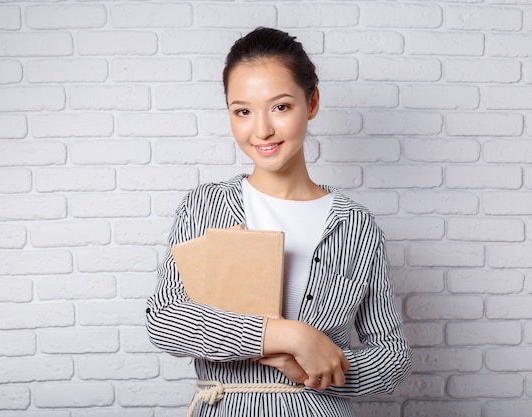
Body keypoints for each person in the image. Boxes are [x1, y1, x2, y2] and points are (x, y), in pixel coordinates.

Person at [145, 27, 412, 417]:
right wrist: (285, 334)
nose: (262, 130)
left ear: (313, 102)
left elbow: (393, 359)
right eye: (243, 111)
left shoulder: (356, 226)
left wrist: (316, 371)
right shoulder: (206, 206)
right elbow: (165, 318)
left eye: (281, 107)